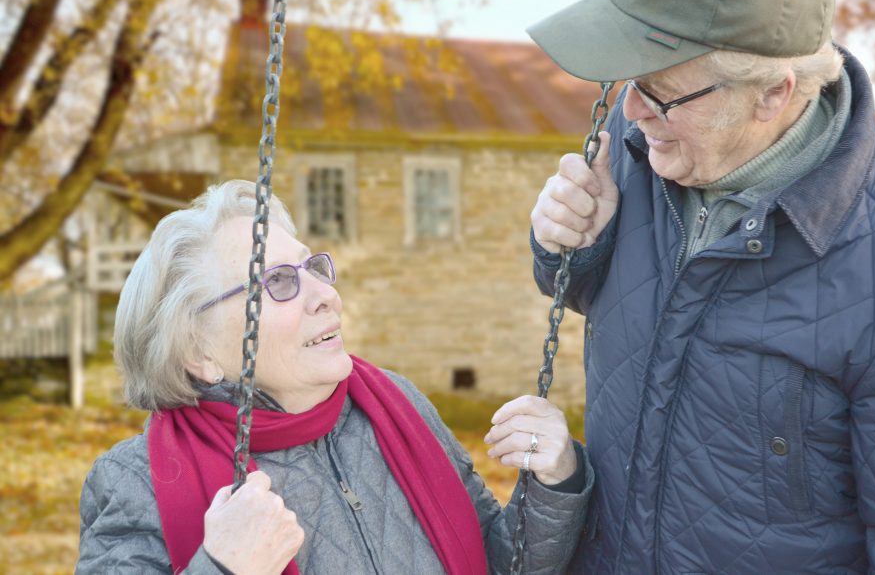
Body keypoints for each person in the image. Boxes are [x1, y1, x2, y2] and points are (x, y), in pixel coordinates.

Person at [526, 0, 875, 573]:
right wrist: (568, 243)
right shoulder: (644, 152)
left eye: (661, 93)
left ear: (773, 94)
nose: (632, 111)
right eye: (630, 80)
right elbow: (588, 295)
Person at [77, 180, 592, 575]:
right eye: (277, 282)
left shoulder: (397, 407)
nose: (324, 294)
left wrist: (552, 482)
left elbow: (497, 562)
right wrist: (223, 566)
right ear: (198, 352)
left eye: (313, 268)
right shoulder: (136, 480)